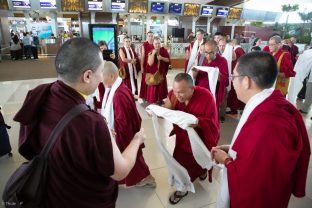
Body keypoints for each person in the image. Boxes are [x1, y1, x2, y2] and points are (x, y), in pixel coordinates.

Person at [13, 38, 146, 208]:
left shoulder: (39, 94)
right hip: (79, 198)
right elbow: (120, 171)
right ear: (88, 75)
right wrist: (137, 139)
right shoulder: (91, 122)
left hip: (51, 188)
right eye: (100, 71)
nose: (101, 79)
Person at [211, 51, 311, 208]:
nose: (233, 82)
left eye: (234, 77)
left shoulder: (269, 122)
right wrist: (233, 150)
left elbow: (255, 178)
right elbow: (260, 152)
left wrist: (226, 159)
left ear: (246, 81)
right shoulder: (269, 104)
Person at [162, 73, 219, 204]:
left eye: (181, 92)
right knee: (181, 163)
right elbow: (167, 108)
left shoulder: (206, 97)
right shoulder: (174, 94)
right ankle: (182, 188)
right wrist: (157, 111)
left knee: (201, 159)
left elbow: (212, 123)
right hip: (183, 138)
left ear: (192, 88)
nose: (177, 95)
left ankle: (203, 169)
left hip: (200, 138)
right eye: (175, 91)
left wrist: (198, 122)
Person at [100, 61, 155, 188]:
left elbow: (123, 123)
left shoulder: (118, 95)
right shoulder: (118, 87)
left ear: (111, 76)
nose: (101, 81)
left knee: (131, 159)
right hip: (125, 130)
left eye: (102, 77)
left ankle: (146, 177)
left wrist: (111, 132)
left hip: (124, 134)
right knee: (134, 158)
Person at [192, 41, 229, 118]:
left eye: (211, 52)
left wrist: (217, 74)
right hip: (200, 90)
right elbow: (195, 77)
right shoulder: (200, 58)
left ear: (216, 50)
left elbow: (225, 80)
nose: (208, 55)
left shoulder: (222, 61)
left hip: (213, 92)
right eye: (206, 52)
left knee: (210, 115)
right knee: (199, 113)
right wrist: (194, 71)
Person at [145, 37, 170, 104]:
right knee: (154, 86)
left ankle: (160, 99)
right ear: (153, 44)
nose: (157, 45)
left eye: (159, 43)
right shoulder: (150, 52)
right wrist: (153, 54)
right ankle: (154, 100)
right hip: (153, 73)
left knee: (161, 88)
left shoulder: (163, 50)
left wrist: (161, 58)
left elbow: (168, 60)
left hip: (161, 72)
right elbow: (150, 63)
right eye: (156, 44)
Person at [227, 38, 245, 114]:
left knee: (234, 92)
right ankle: (239, 107)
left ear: (232, 44)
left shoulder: (236, 51)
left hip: (236, 74)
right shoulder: (241, 50)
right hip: (241, 73)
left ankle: (234, 109)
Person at [139, 31, 154, 101]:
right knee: (145, 80)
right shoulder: (144, 45)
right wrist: (142, 67)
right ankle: (145, 95)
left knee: (152, 80)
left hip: (153, 66)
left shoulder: (155, 44)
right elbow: (142, 57)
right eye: (149, 36)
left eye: (152, 36)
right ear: (147, 37)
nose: (150, 37)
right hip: (146, 66)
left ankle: (152, 95)